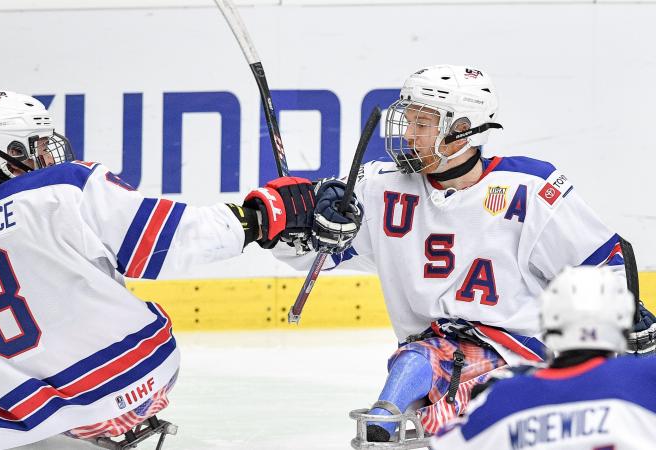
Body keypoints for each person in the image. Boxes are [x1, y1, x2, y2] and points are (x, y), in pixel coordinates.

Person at [0, 91, 358, 449]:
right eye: (34, 145)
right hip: (134, 384)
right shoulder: (65, 187)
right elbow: (174, 240)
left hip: (25, 417)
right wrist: (261, 215)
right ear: (2, 151)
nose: (47, 155)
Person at [270, 65, 656, 446]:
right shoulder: (381, 187)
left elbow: (603, 264)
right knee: (420, 361)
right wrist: (310, 227)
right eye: (408, 121)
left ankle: (393, 418)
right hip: (433, 362)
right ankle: (399, 418)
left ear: (461, 130)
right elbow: (311, 252)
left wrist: (625, 309)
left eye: (422, 124)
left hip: (519, 359)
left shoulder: (529, 189)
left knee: (422, 362)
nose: (408, 134)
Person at [431, 266, 656, 449]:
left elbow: (443, 443)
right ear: (621, 322)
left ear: (548, 321)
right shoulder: (646, 379)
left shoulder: (504, 399)